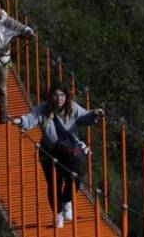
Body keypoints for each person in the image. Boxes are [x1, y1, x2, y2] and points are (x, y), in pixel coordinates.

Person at [14, 83, 104, 229]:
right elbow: (31, 118)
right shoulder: (43, 109)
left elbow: (85, 117)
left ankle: (67, 199)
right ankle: (58, 214)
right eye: (55, 95)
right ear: (50, 96)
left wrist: (94, 114)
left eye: (62, 95)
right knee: (54, 184)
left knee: (76, 178)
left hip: (68, 151)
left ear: (66, 96)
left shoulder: (73, 107)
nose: (59, 98)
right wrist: (19, 121)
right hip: (48, 151)